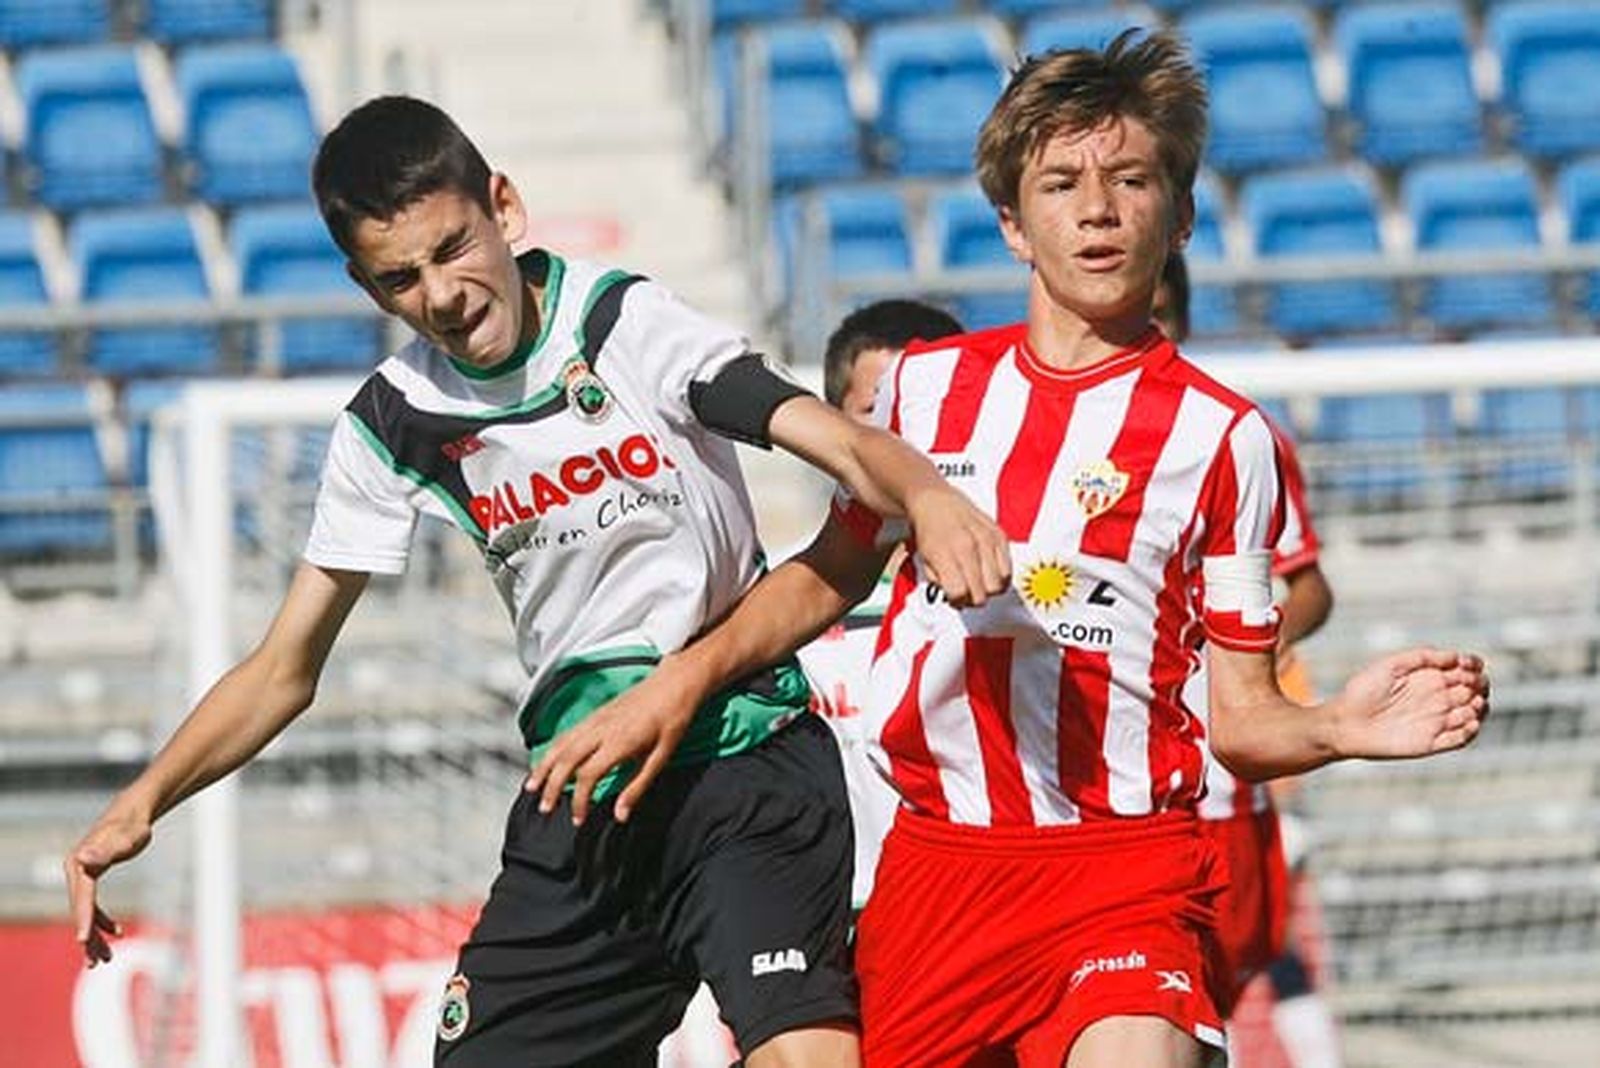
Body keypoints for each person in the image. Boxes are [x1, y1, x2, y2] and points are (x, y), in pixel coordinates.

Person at [529, 31, 1489, 1068]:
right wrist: (680, 682)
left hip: (1124, 867)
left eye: (1130, 179)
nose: (1097, 209)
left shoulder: (1227, 440)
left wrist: (1339, 725)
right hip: (940, 868)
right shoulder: (922, 392)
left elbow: (1243, 721)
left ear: (1180, 216)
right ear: (1012, 224)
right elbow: (828, 576)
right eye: (1061, 183)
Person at [62, 96, 1013, 1068]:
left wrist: (928, 498)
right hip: (585, 790)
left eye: (451, 248)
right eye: (401, 278)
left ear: (503, 209)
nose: (442, 293)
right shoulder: (395, 422)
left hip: (742, 759)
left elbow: (832, 434)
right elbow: (282, 668)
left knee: (800, 1055)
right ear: (366, 286)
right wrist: (140, 803)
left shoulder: (622, 325)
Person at [1160, 253, 1346, 1068]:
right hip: (1091, 782)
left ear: (1185, 319)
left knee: (1217, 999)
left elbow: (1308, 587)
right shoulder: (1039, 426)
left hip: (1222, 780)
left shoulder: (1239, 433)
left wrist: (1232, 646)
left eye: (1161, 311)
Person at [801, 298, 966, 910]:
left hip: (986, 907)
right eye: (878, 413)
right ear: (832, 427)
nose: (907, 440)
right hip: (837, 923)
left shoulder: (1022, 579)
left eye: (927, 411)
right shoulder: (787, 594)